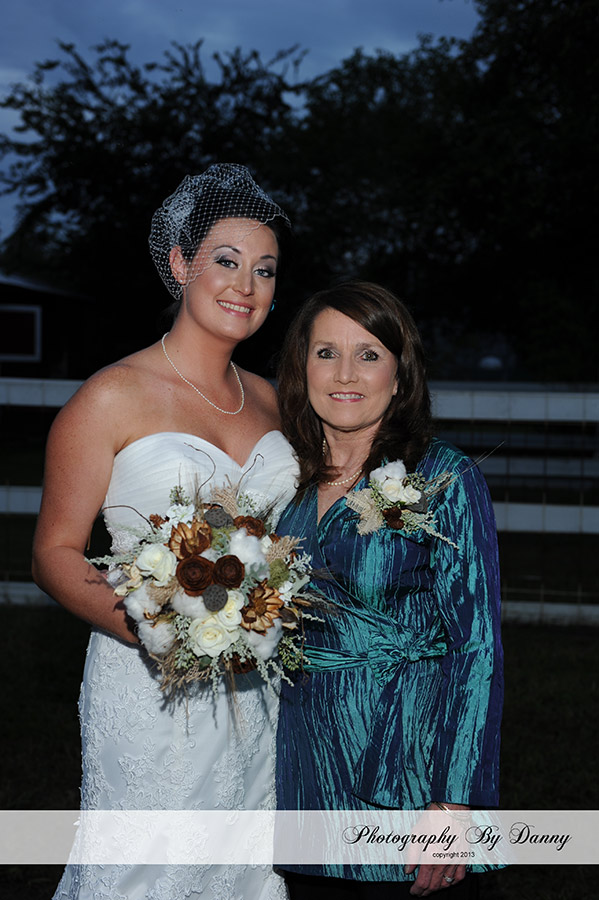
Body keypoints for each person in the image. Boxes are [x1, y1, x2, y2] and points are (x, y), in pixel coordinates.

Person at [32, 163, 297, 900]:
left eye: (265, 270)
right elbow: (53, 553)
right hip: (148, 685)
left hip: (258, 686)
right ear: (180, 264)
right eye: (226, 261)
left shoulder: (276, 402)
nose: (246, 285)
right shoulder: (110, 397)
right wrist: (159, 628)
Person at [274, 282, 503, 898]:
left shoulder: (444, 477)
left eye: (369, 354)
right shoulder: (283, 484)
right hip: (306, 769)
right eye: (326, 353)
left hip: (409, 764)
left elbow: (476, 648)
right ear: (301, 368)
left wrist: (453, 803)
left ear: (400, 377)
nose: (345, 374)